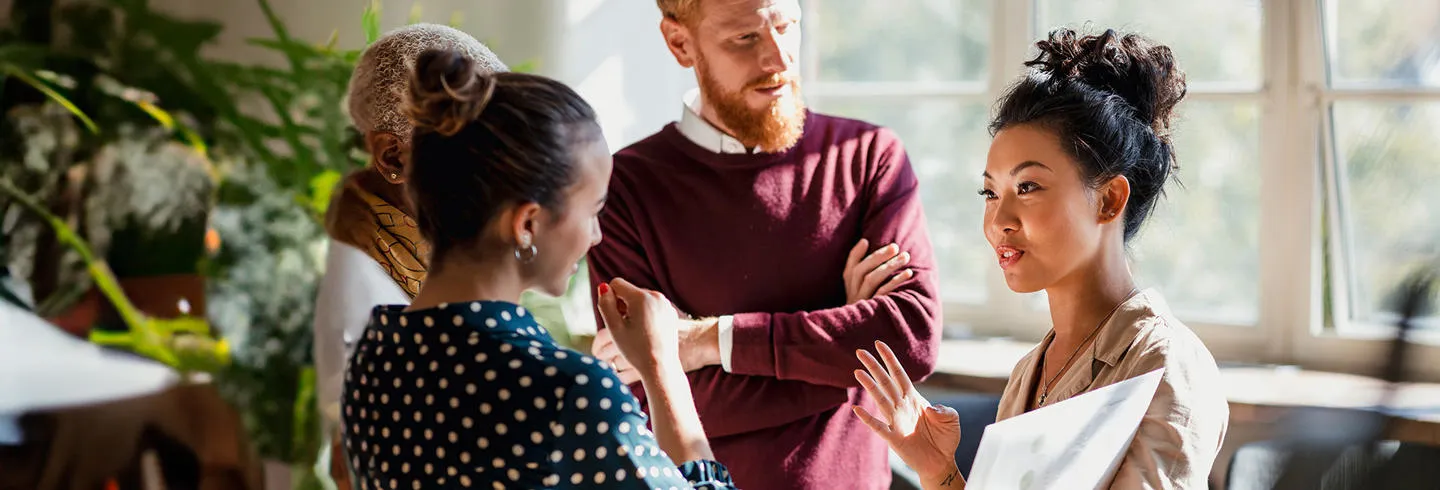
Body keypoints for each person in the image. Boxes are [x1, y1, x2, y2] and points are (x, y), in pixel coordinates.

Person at [340, 48, 738, 489]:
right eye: (592, 211)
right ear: (527, 223)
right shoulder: (567, 392)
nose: (597, 236)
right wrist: (663, 366)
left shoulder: (374, 356)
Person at [852, 29, 1229, 490]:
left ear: (1109, 200)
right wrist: (941, 473)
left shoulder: (1165, 365)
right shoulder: (1029, 373)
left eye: (1028, 187)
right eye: (990, 193)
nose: (999, 221)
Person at [585, 0, 942, 487]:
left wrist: (703, 342)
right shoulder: (623, 189)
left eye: (786, 26)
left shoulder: (867, 158)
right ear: (679, 42)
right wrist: (845, 352)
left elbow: (911, 340)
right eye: (745, 38)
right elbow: (651, 400)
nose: (778, 58)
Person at [312, 23, 508, 486]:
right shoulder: (366, 287)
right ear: (393, 158)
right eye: (477, 148)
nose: (502, 170)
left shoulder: (433, 250)